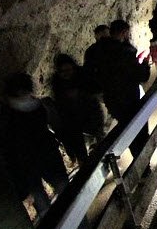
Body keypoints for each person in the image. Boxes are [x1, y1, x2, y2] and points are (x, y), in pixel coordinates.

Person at [0, 73, 69, 220]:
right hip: (35, 162)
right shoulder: (11, 114)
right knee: (62, 200)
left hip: (34, 162)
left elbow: (5, 147)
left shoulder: (12, 113)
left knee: (55, 201)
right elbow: (6, 149)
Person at [100, 20, 151, 158]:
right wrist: (145, 65)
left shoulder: (100, 51)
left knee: (127, 129)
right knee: (139, 130)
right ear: (124, 32)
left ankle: (140, 162)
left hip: (113, 101)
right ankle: (143, 165)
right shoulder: (124, 53)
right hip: (129, 99)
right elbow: (142, 76)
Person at [50, 54, 105, 166]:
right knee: (79, 148)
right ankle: (85, 167)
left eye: (68, 69)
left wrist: (81, 93)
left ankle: (105, 160)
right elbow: (60, 104)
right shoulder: (57, 83)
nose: (66, 73)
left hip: (90, 114)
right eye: (62, 71)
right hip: (73, 119)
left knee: (100, 140)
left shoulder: (82, 76)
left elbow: (95, 90)